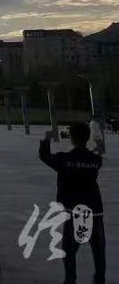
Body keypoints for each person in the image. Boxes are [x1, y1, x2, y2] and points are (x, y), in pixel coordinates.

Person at [40, 122, 105, 284]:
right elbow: (93, 157)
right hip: (95, 210)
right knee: (98, 250)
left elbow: (45, 156)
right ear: (87, 138)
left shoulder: (64, 159)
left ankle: (70, 280)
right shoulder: (96, 160)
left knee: (69, 250)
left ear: (72, 139)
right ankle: (99, 279)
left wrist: (46, 139)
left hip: (75, 210)